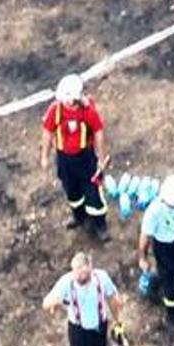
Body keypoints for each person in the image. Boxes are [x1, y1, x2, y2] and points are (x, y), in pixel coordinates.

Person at [43, 74, 110, 235]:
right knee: (72, 191)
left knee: (93, 192)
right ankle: (79, 217)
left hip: (85, 159)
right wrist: (44, 155)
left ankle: (100, 225)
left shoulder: (88, 112)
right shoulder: (55, 111)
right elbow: (48, 132)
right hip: (65, 160)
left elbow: (98, 133)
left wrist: (101, 158)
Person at [137, 172, 174, 325]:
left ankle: (155, 281)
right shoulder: (154, 212)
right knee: (173, 281)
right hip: (165, 248)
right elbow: (145, 237)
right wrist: (143, 258)